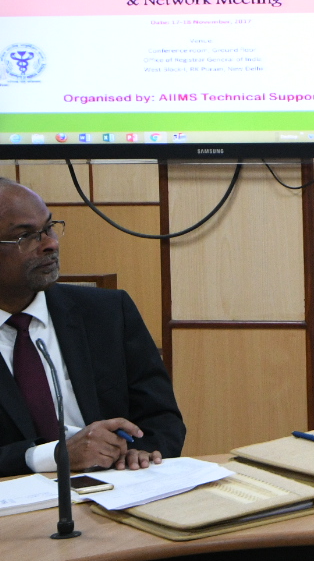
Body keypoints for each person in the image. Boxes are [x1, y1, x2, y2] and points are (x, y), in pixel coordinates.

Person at [0, 178, 184, 476]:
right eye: (26, 236)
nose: (50, 244)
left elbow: (161, 417)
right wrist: (53, 456)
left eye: (49, 228)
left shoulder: (107, 313)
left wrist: (141, 452)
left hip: (116, 485)